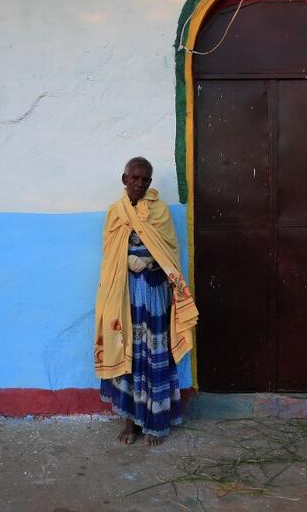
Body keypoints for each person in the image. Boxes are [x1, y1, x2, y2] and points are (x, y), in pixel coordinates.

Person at [94, 157, 199, 445]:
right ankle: (130, 423)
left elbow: (168, 251)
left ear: (150, 182)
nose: (140, 183)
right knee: (127, 352)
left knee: (154, 353)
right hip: (125, 295)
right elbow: (110, 253)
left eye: (146, 179)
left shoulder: (160, 211)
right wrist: (127, 259)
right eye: (135, 178)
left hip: (153, 294)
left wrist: (150, 259)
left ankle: (155, 423)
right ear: (124, 178)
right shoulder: (116, 213)